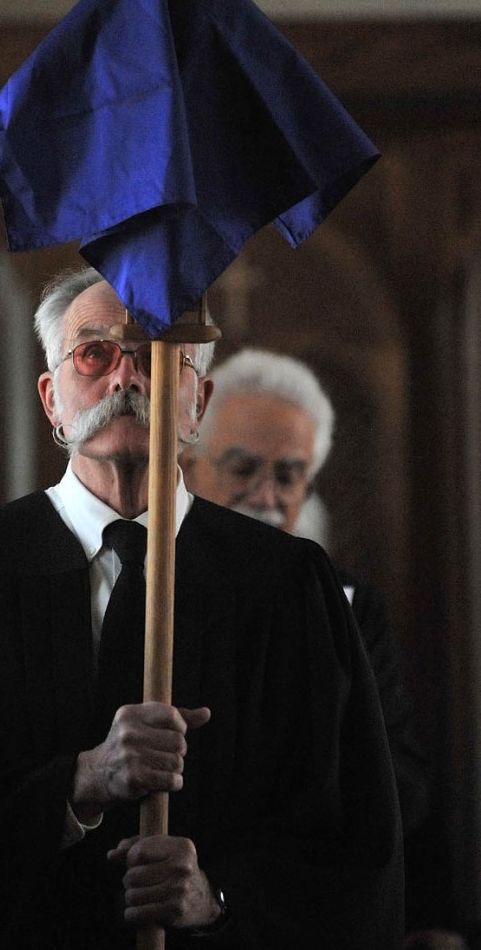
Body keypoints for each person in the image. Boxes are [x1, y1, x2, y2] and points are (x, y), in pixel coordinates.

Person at [0, 267, 403, 949]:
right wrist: (82, 780)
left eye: (155, 355)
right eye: (94, 354)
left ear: (198, 401)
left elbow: (348, 838)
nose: (126, 379)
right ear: (51, 399)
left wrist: (214, 897)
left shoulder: (287, 585)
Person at [182, 347, 467, 950]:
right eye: (242, 467)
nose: (265, 495)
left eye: (287, 475)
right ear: (188, 466)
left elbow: (402, 786)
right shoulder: (148, 590)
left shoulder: (349, 607)